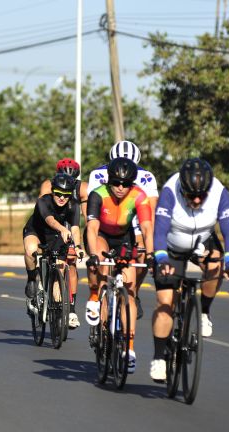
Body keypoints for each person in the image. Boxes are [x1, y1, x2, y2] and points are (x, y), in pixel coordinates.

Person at [149, 158, 229, 381]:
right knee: (165, 302)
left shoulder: (219, 191)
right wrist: (160, 259)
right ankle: (159, 358)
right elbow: (158, 231)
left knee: (216, 263)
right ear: (183, 190)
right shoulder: (170, 190)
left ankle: (205, 311)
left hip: (203, 240)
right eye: (191, 195)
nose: (197, 200)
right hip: (172, 245)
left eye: (202, 195)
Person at [85, 157, 154, 374]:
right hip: (103, 235)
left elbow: (146, 228)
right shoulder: (98, 194)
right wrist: (93, 256)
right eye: (116, 183)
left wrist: (151, 254)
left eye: (126, 184)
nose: (121, 188)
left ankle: (129, 348)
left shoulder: (139, 196)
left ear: (132, 183)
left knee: (130, 290)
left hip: (125, 239)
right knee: (101, 264)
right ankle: (96, 296)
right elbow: (92, 228)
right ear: (109, 181)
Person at [87, 141, 158, 319]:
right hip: (104, 221)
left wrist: (149, 246)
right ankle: (96, 296)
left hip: (132, 223)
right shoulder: (98, 174)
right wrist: (90, 228)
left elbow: (150, 212)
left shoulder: (146, 177)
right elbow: (89, 205)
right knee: (100, 259)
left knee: (140, 257)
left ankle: (134, 293)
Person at [26, 172, 82, 325]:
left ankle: (57, 309)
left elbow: (76, 228)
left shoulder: (74, 205)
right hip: (37, 231)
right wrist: (63, 229)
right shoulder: (43, 202)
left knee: (60, 267)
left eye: (66, 194)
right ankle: (32, 279)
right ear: (52, 191)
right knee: (31, 250)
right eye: (58, 193)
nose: (62, 197)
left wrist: (78, 247)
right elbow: (50, 220)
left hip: (55, 235)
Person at [39, 158, 87, 327]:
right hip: (51, 224)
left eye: (72, 181)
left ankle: (72, 309)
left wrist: (81, 242)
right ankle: (43, 284)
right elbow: (44, 209)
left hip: (70, 225)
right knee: (51, 257)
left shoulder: (82, 188)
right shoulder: (48, 185)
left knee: (72, 262)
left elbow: (85, 217)